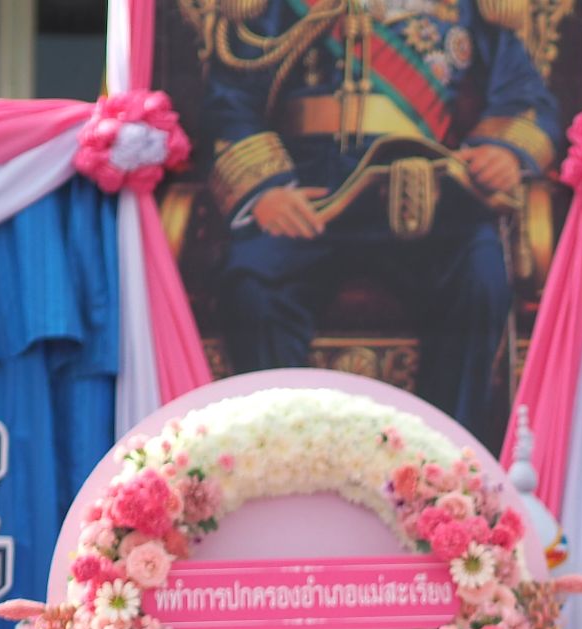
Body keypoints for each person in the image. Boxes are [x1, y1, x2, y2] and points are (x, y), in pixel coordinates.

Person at [202, 0, 560, 445]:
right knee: (251, 283)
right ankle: (283, 456)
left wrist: (503, 151)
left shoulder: (468, 8)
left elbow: (526, 99)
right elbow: (228, 102)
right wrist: (264, 190)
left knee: (481, 276)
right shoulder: (280, 7)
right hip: (312, 197)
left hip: (429, 199)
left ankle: (448, 463)